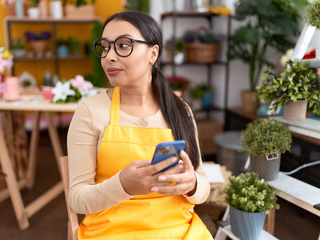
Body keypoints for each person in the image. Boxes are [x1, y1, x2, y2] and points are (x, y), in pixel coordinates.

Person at [67, 11, 213, 240]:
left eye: (123, 45)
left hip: (179, 231)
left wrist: (193, 183)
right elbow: (76, 198)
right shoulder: (90, 111)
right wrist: (123, 186)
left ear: (153, 53)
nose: (109, 57)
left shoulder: (180, 110)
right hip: (111, 233)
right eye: (105, 47)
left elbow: (203, 186)